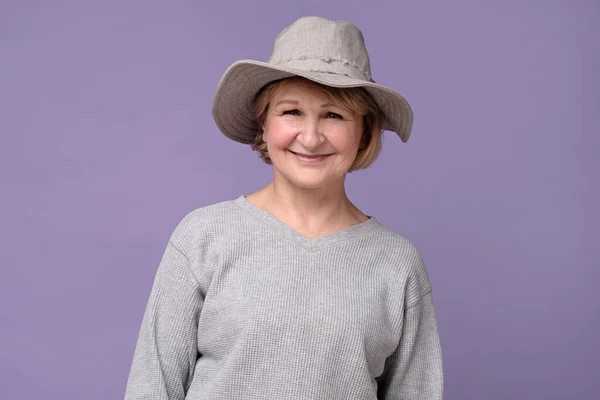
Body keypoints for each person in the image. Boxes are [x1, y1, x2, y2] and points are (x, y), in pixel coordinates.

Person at [125, 16, 443, 400]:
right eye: (291, 112)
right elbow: (152, 387)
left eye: (334, 115)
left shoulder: (397, 264)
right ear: (264, 124)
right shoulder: (203, 237)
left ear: (363, 132)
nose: (310, 138)